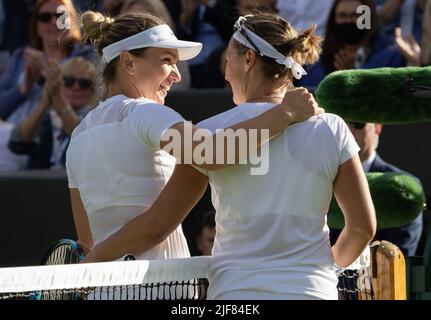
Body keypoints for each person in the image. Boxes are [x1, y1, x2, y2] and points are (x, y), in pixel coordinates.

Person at [83, 13, 377, 300]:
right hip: (313, 290)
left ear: (248, 59)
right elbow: (363, 227)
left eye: (229, 59)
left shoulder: (209, 131)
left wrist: (94, 258)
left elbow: (158, 222)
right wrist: (328, 267)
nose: (225, 72)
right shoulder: (332, 128)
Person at [66, 11, 323, 258]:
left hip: (101, 288)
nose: (177, 76)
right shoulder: (146, 113)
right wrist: (284, 113)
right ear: (129, 62)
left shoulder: (77, 136)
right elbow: (210, 154)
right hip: (154, 287)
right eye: (167, 61)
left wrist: (94, 261)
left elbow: (86, 243)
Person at [0, 0, 94, 170]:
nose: (53, 22)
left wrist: (47, 72)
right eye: (44, 17)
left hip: (64, 135)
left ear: (72, 19)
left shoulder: (87, 57)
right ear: (36, 24)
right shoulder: (21, 57)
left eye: (60, 15)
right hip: (17, 133)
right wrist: (23, 89)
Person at [330, 122, 423, 258]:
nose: (348, 130)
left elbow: (399, 254)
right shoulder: (322, 178)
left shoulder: (401, 185)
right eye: (342, 124)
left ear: (377, 127)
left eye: (358, 124)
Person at [8, 57, 98, 169]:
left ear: (92, 90)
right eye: (68, 81)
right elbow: (17, 142)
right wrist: (45, 103)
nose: (76, 87)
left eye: (84, 83)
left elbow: (82, 138)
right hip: (39, 183)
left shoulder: (96, 116)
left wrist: (59, 100)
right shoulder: (46, 117)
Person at [298, 0, 405, 88]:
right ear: (334, 20)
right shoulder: (315, 58)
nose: (349, 20)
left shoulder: (389, 55)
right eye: (342, 16)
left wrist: (352, 76)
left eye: (356, 15)